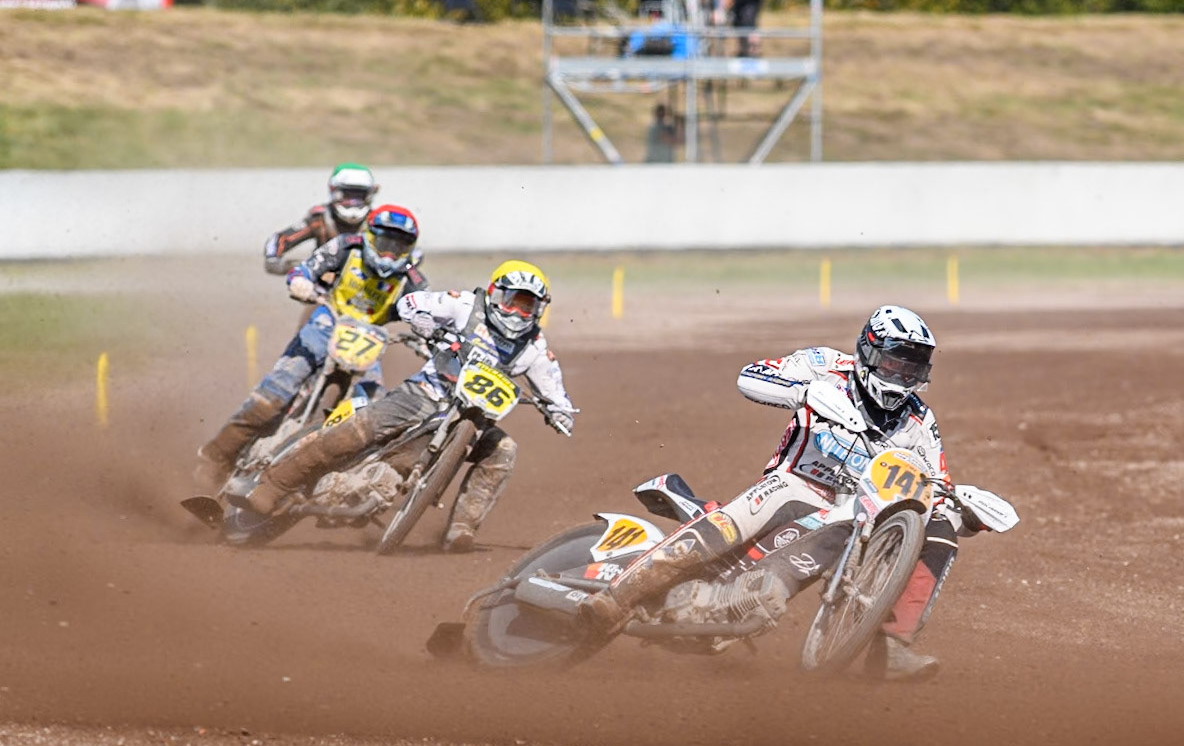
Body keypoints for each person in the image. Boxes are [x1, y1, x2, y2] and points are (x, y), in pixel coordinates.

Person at [579, 305, 991, 680]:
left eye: (911, 370)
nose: (901, 377)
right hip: (794, 483)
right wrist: (806, 392)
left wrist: (963, 509)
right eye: (894, 363)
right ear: (869, 351)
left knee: (936, 529)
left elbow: (936, 482)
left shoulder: (919, 418)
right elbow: (751, 376)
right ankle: (618, 597)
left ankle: (892, 647)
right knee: (729, 526)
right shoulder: (827, 365)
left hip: (849, 512)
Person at [232, 261, 576, 554]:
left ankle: (461, 528)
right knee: (359, 429)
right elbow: (412, 302)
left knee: (505, 451)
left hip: (476, 419)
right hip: (425, 392)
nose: (518, 312)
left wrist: (560, 413)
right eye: (513, 301)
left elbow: (555, 392)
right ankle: (272, 485)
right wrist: (423, 320)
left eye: (528, 306)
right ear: (496, 294)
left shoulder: (535, 348)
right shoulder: (465, 306)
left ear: (539, 310)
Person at [196, 205, 427, 488]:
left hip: (370, 341)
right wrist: (301, 282)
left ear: (409, 248)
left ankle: (346, 480)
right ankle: (218, 455)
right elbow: (306, 269)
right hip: (327, 320)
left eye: (399, 246)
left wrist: (430, 334)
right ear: (369, 235)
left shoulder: (412, 280)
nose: (390, 252)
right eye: (385, 243)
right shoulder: (345, 247)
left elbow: (427, 312)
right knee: (277, 392)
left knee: (373, 407)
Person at [263, 164, 380, 275]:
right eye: (348, 195)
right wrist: (273, 259)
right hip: (323, 285)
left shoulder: (377, 222)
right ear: (335, 192)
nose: (353, 202)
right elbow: (279, 239)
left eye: (359, 196)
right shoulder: (320, 218)